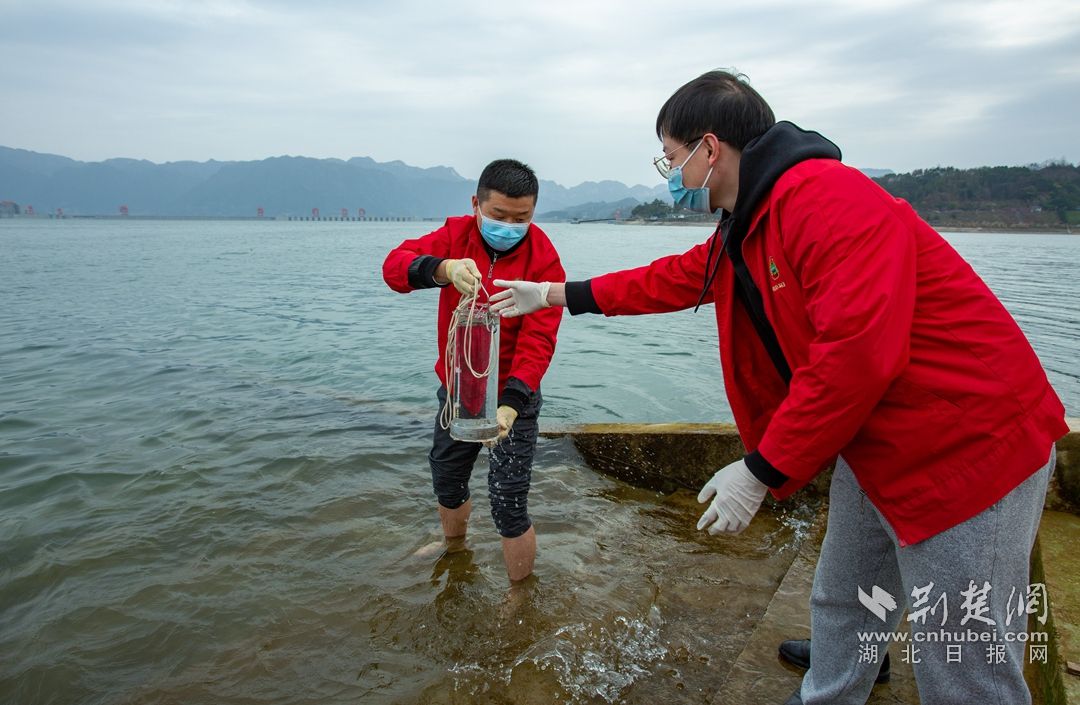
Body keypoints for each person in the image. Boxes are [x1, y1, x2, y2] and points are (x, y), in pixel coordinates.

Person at [489, 71, 1068, 704]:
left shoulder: (828, 201)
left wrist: (761, 470)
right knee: (844, 591)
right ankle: (836, 685)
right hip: (876, 441)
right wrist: (553, 294)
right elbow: (678, 278)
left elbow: (856, 357)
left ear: (710, 150)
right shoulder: (751, 217)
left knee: (961, 655)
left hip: (968, 446)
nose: (672, 177)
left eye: (672, 158)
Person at [382, 158, 565, 584]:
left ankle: (519, 595)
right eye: (498, 215)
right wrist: (441, 269)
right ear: (476, 205)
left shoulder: (545, 259)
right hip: (459, 387)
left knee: (508, 501)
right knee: (446, 477)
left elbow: (540, 341)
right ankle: (455, 550)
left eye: (522, 218)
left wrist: (511, 405)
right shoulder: (455, 234)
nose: (509, 225)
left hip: (511, 399)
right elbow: (394, 267)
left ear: (533, 214)